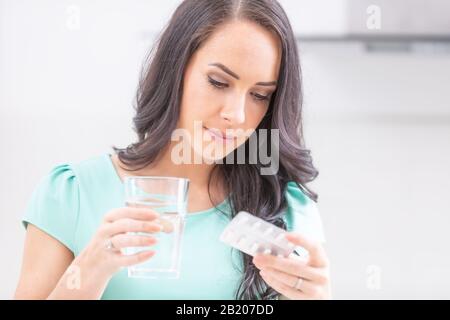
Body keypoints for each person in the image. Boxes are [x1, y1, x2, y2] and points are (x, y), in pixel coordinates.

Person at [14, 0, 330, 300]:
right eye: (219, 82)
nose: (236, 114)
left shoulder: (286, 211)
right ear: (175, 69)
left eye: (259, 95)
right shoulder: (72, 195)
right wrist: (90, 271)